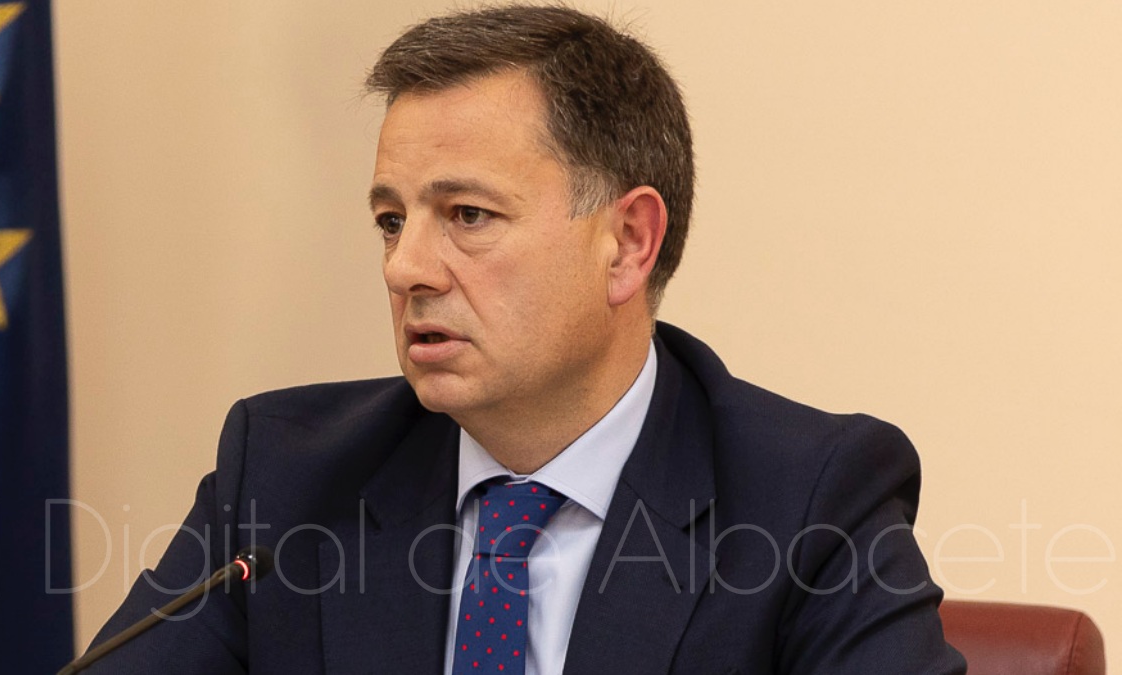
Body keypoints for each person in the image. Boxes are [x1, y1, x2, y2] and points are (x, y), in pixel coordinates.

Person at [88, 5, 966, 673]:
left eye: (467, 214)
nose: (405, 268)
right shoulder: (289, 476)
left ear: (628, 243)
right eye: (392, 220)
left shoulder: (809, 501)